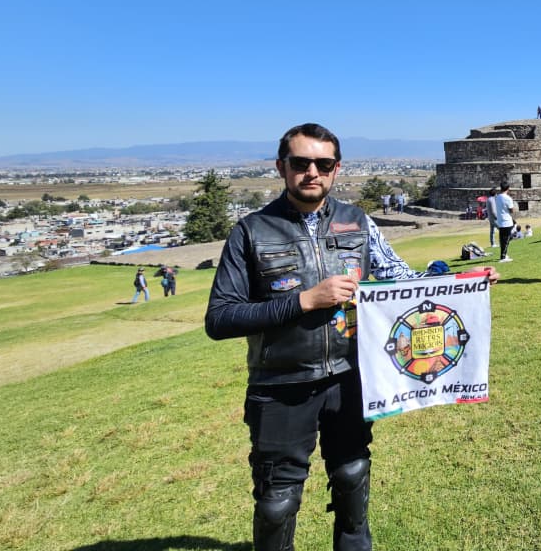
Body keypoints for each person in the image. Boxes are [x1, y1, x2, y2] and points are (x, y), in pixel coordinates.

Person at [205, 122, 498, 551]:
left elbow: (401, 280)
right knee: (277, 501)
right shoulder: (251, 231)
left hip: (350, 377)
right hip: (282, 384)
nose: (312, 172)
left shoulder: (357, 222)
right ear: (281, 166)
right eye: (300, 163)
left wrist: (462, 283)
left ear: (336, 169)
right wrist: (304, 301)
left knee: (351, 474)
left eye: (323, 164)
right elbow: (221, 318)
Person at [491, 181, 517, 261]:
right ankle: (503, 257)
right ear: (508, 188)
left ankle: (504, 255)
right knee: (506, 240)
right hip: (507, 221)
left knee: (503, 240)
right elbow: (511, 210)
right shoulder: (508, 198)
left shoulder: (497, 197)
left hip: (500, 221)